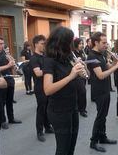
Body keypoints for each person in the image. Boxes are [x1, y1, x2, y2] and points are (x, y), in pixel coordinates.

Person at [43, 27, 85, 155]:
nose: (72, 45)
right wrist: (71, 76)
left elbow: (83, 76)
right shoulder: (50, 61)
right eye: (70, 41)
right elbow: (48, 89)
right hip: (59, 111)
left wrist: (81, 68)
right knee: (63, 149)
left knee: (71, 146)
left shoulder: (67, 58)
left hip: (72, 107)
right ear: (62, 43)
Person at [87, 32, 118, 152]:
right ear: (96, 42)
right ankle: (93, 141)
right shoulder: (92, 56)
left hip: (105, 88)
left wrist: (115, 61)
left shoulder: (101, 54)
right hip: (99, 90)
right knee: (100, 116)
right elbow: (101, 75)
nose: (106, 45)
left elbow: (107, 67)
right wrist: (117, 66)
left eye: (106, 42)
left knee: (104, 116)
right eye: (103, 43)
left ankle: (102, 137)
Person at [0, 36, 22, 130]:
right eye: (0, 44)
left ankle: (11, 118)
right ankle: (2, 120)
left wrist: (14, 66)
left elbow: (12, 66)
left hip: (10, 80)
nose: (2, 45)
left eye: (3, 43)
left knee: (10, 101)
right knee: (2, 102)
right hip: (0, 81)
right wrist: (7, 65)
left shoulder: (5, 54)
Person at [29, 35, 54, 142]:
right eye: (42, 43)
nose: (44, 45)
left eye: (45, 43)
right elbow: (38, 73)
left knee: (47, 108)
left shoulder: (45, 56)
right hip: (40, 88)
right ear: (36, 44)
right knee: (41, 109)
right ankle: (39, 131)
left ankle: (47, 127)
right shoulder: (34, 58)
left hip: (47, 85)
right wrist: (48, 69)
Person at [73, 38, 88, 117]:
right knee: (81, 92)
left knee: (82, 92)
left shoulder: (82, 52)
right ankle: (81, 109)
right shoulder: (73, 53)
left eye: (82, 44)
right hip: (76, 76)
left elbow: (85, 61)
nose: (82, 45)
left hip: (83, 74)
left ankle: (82, 108)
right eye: (80, 44)